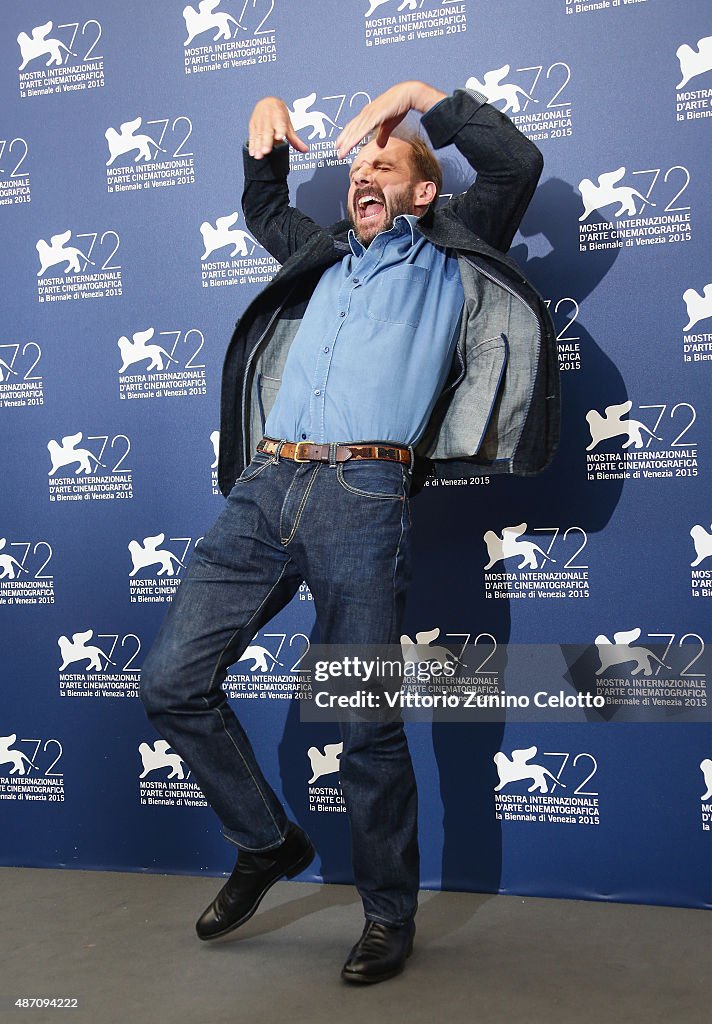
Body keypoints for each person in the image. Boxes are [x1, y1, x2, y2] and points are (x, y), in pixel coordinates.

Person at [140, 80, 559, 985]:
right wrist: (261, 138)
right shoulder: (321, 252)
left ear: (422, 193)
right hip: (268, 484)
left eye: (385, 162)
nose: (363, 170)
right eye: (358, 164)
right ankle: (265, 841)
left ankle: (385, 915)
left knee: (362, 716)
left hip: (366, 491)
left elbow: (518, 163)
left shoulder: (451, 248)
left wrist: (416, 99)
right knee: (171, 680)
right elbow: (263, 203)